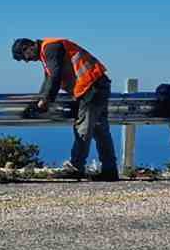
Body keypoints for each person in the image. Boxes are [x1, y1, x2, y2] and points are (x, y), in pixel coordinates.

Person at [12, 37, 118, 180]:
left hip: (90, 87)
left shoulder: (50, 48)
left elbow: (55, 76)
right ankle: (110, 170)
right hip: (97, 84)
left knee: (83, 129)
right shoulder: (47, 52)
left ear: (28, 47)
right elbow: (48, 79)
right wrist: (40, 99)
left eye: (25, 57)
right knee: (100, 130)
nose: (27, 61)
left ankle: (76, 167)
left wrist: (46, 101)